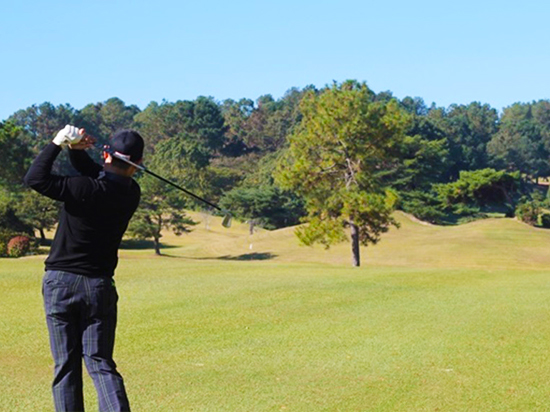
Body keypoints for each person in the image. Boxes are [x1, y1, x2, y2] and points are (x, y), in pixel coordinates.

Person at [24, 125, 144, 412]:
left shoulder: (80, 188)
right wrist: (76, 151)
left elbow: (35, 178)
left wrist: (57, 143)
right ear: (137, 164)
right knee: (100, 363)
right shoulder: (131, 193)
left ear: (106, 155)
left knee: (66, 365)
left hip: (60, 284)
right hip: (98, 287)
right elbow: (100, 175)